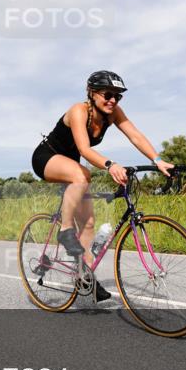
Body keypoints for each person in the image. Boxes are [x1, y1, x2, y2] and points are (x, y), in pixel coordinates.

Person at [31, 71, 175, 302]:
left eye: (118, 97)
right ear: (92, 93)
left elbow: (135, 135)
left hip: (72, 166)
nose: (113, 101)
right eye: (108, 95)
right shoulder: (79, 111)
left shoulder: (112, 113)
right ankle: (65, 230)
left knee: (88, 224)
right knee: (83, 175)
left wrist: (157, 161)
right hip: (47, 158)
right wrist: (110, 165)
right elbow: (84, 149)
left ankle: (83, 276)